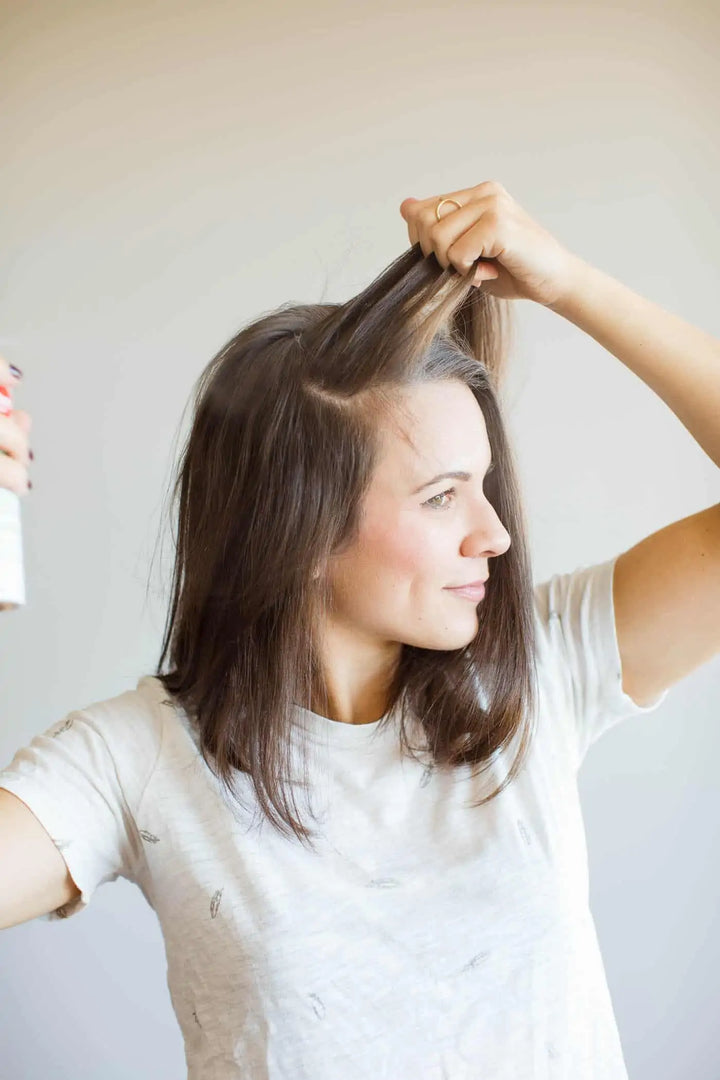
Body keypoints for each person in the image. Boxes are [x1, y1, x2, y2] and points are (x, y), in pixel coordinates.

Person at [2, 179, 719, 1080]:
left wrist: (570, 283)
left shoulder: (540, 671)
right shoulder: (138, 761)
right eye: (441, 495)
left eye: (484, 483)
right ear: (298, 529)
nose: (493, 534)